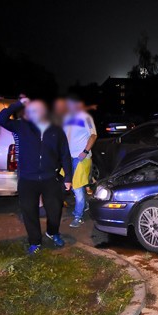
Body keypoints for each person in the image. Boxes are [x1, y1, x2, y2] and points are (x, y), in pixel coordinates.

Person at [0, 96, 73, 254]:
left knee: (54, 210)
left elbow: (65, 154)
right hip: (27, 179)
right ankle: (35, 241)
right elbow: (0, 119)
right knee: (29, 211)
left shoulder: (56, 130)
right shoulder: (22, 127)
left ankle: (52, 232)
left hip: (50, 178)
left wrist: (68, 178)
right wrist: (17, 104)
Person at [64, 95, 98, 227]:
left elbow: (94, 135)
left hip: (81, 158)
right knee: (73, 185)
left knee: (77, 187)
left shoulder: (86, 118)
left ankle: (78, 217)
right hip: (68, 158)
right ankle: (85, 204)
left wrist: (85, 151)